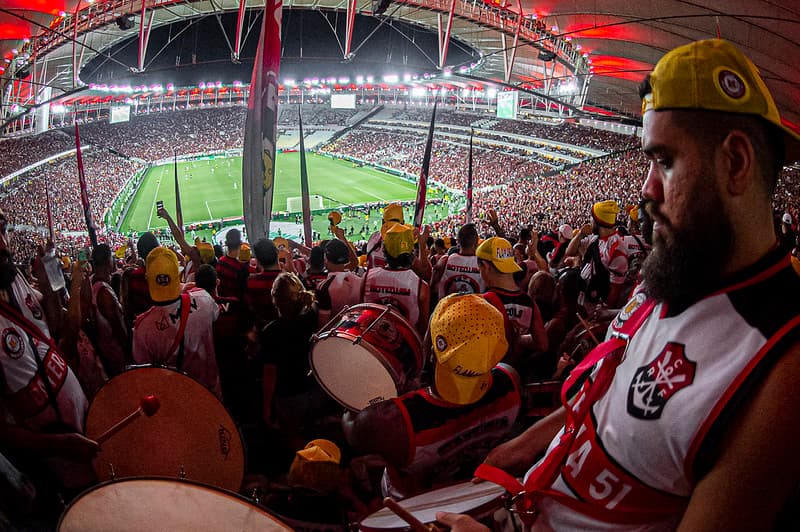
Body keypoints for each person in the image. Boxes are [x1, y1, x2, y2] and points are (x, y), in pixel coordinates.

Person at [437, 38, 800, 531]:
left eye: (665, 161)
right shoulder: (673, 274)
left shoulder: (782, 368)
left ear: (735, 162)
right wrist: (522, 446)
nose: (646, 190)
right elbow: (604, 396)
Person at [343, 294, 521, 499]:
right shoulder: (511, 380)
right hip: (482, 494)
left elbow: (351, 427)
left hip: (414, 509)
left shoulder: (390, 423)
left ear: (432, 348)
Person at [0, 208, 99, 501]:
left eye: (2, 227)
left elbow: (54, 327)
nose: (2, 243)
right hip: (63, 469)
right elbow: (2, 432)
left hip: (85, 425)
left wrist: (49, 283)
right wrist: (59, 445)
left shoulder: (13, 277)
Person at [132, 248, 222, 398]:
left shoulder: (142, 328)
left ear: (148, 279)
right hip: (212, 395)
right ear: (179, 275)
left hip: (177, 401)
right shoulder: (204, 299)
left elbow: (146, 376)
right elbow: (215, 316)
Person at [476, 237, 548, 371]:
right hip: (514, 374)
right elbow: (543, 344)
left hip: (489, 376)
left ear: (485, 266)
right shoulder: (529, 302)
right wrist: (518, 339)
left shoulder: (484, 302)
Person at [361, 223, 430, 335]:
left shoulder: (367, 278)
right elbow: (422, 328)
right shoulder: (421, 287)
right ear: (411, 251)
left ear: (384, 249)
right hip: (405, 347)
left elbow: (362, 314)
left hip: (372, 342)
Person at [564, 200, 629, 308]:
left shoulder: (616, 249)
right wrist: (580, 234)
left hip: (596, 306)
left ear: (598, 221)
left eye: (592, 218)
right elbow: (569, 252)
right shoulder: (593, 239)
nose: (589, 221)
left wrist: (601, 313)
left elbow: (615, 290)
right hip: (584, 298)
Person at [89, 244, 129, 376]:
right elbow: (118, 328)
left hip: (105, 350)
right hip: (115, 354)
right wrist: (129, 351)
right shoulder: (104, 293)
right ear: (108, 261)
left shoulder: (92, 282)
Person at [431, 223, 485, 302]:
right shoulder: (483, 264)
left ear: (458, 242)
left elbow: (433, 288)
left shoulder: (445, 260)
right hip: (474, 311)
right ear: (476, 243)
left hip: (446, 311)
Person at [316, 238, 362, 327]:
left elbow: (322, 323)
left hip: (335, 336)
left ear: (325, 258)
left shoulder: (324, 286)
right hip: (355, 333)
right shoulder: (360, 280)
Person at [216, 228, 249, 299]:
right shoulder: (241, 268)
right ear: (240, 243)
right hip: (236, 305)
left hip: (223, 303)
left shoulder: (220, 262)